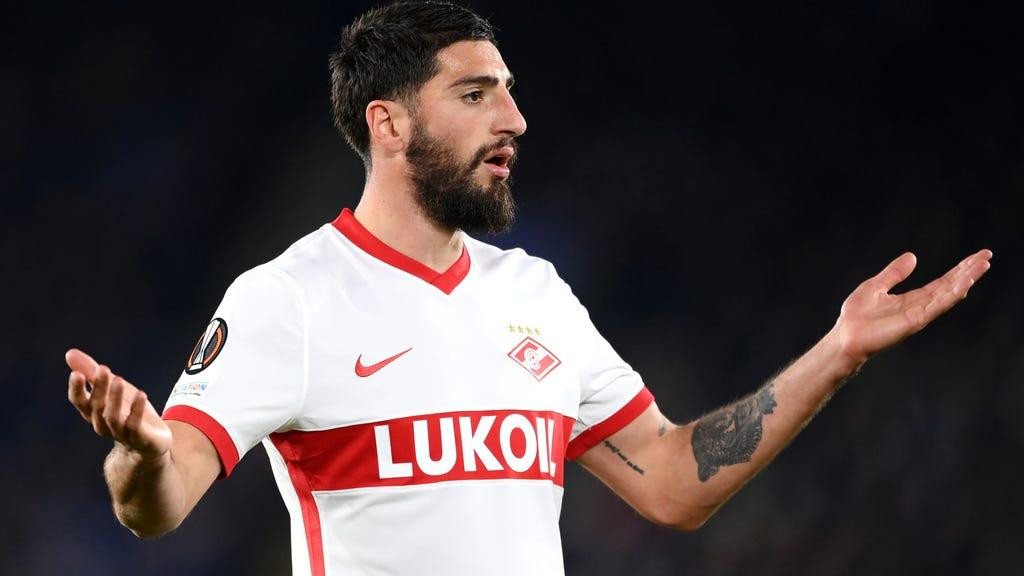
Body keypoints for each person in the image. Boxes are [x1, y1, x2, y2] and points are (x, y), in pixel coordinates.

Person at [64, 2, 993, 575]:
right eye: (474, 95)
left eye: (507, 91)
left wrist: (838, 352)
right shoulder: (292, 297)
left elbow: (673, 481)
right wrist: (142, 453)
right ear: (388, 124)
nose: (512, 117)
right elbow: (160, 501)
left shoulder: (536, 295)